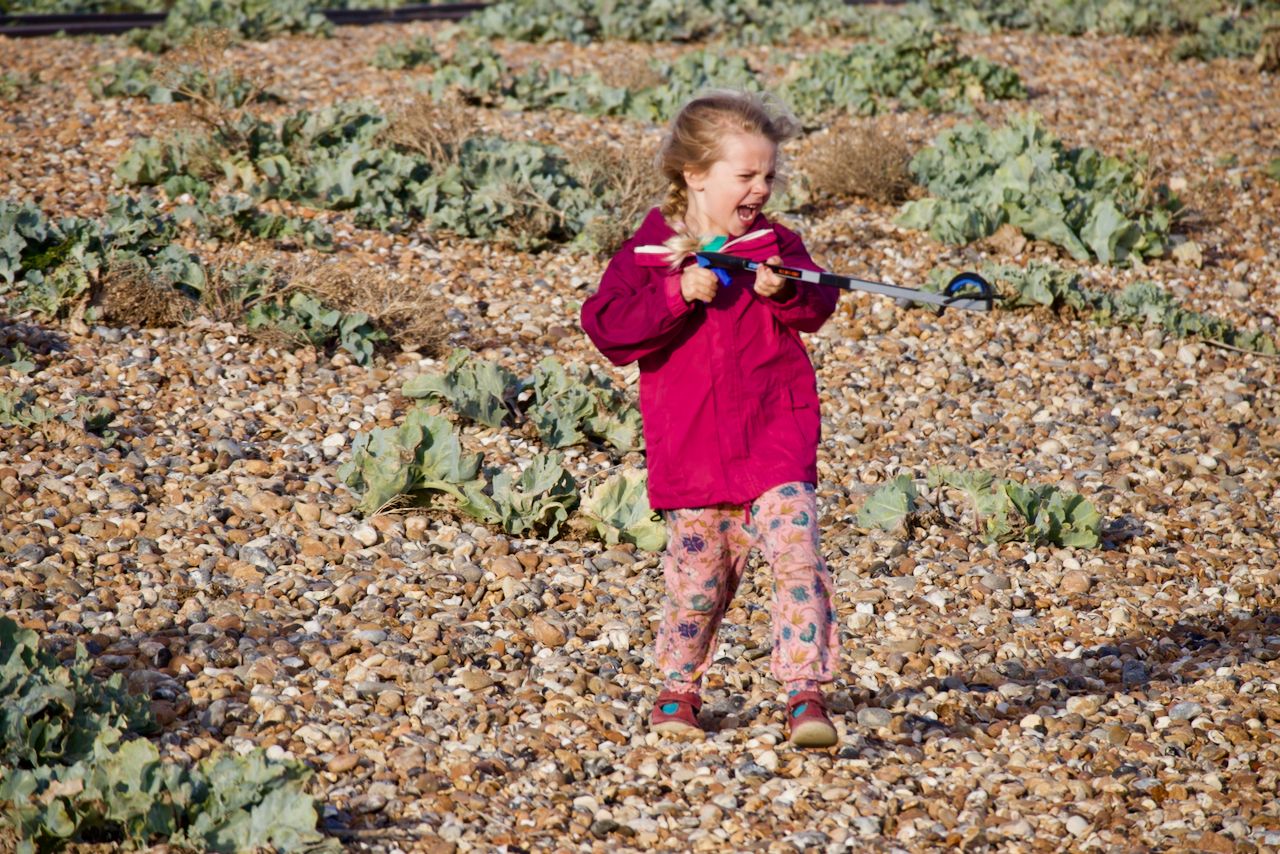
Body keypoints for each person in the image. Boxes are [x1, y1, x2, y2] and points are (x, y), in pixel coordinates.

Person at [580, 90, 842, 748]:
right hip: (693, 454)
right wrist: (677, 293)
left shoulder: (777, 246)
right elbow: (608, 328)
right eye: (746, 176)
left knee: (798, 558)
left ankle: (805, 693)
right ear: (695, 175)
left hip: (774, 440)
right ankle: (678, 689)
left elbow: (819, 301)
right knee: (700, 585)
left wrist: (788, 289)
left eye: (769, 176)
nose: (760, 189)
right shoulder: (648, 255)